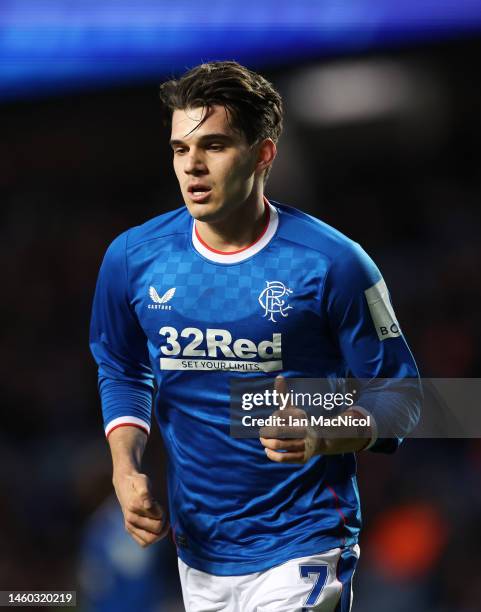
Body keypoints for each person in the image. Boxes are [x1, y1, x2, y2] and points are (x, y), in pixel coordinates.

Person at [90, 61, 421, 611]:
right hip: (201, 552)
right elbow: (123, 367)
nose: (192, 165)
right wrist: (125, 468)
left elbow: (407, 399)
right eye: (179, 149)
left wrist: (321, 429)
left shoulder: (331, 263)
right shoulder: (133, 259)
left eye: (214, 145)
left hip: (304, 542)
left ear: (263, 153)